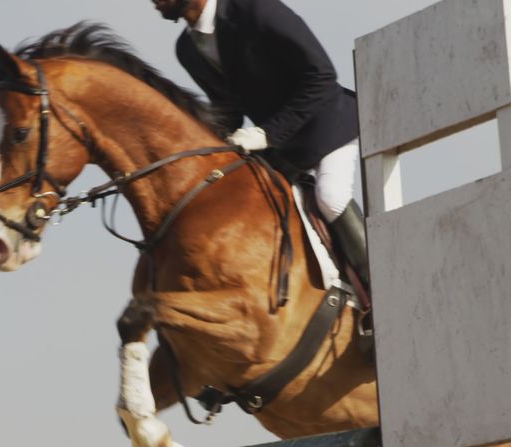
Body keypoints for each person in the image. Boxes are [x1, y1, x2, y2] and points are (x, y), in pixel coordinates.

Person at [152, 0, 369, 291]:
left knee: (330, 197)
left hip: (328, 127)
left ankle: (379, 285)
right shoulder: (187, 49)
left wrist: (268, 134)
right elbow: (227, 108)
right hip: (280, 149)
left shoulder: (257, 10)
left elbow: (321, 77)